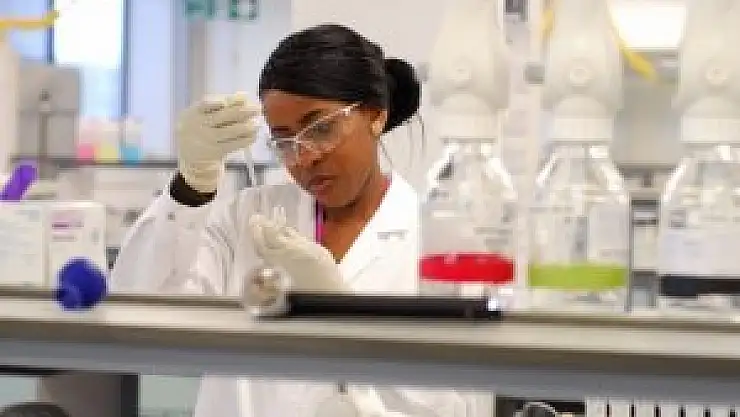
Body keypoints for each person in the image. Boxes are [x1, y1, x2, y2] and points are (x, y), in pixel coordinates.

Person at [111, 23, 491, 417]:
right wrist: (191, 185)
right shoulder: (247, 219)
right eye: (285, 140)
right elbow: (135, 316)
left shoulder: (437, 241)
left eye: (321, 129)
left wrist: (344, 317)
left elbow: (457, 404)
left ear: (376, 115)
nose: (305, 157)